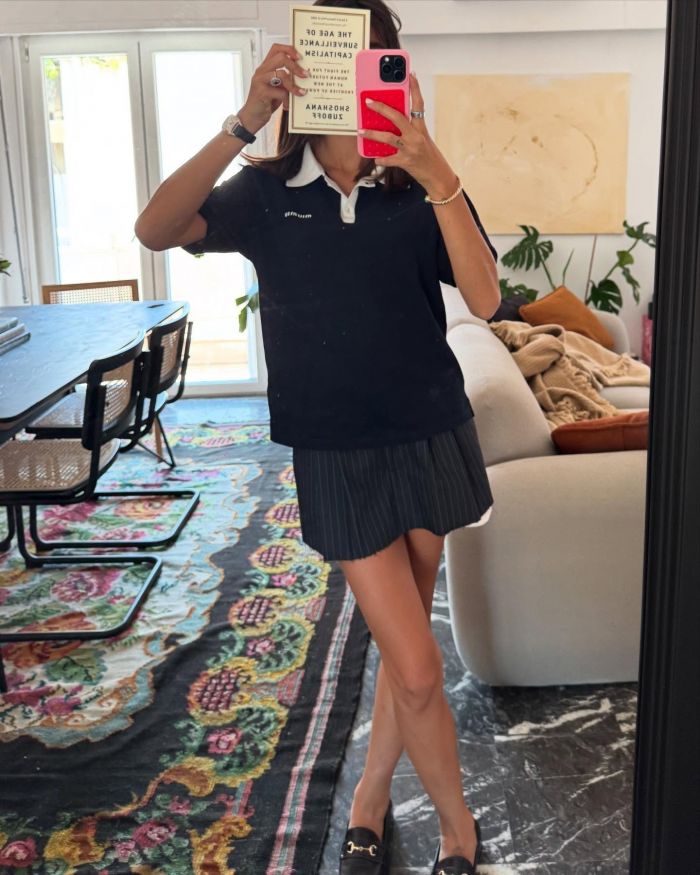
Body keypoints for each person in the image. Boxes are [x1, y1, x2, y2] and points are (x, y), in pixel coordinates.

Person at [134, 1, 500, 872]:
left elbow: (487, 299)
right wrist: (243, 120)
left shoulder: (417, 185)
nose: (356, 71)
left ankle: (370, 797)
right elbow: (155, 229)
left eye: (378, 56)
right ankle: (460, 832)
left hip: (429, 432)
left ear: (393, 70)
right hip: (334, 452)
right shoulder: (266, 194)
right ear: (308, 71)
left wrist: (437, 170)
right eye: (340, 55)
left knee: (404, 651)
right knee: (418, 666)